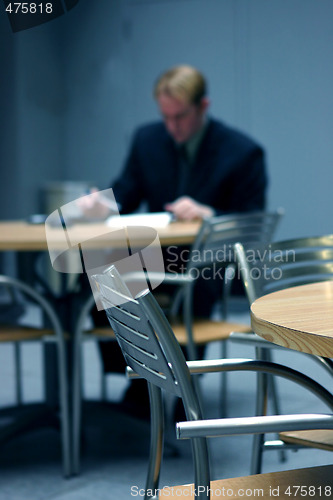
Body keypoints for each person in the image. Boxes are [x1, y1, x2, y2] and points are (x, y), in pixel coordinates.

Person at [81, 64, 268, 418]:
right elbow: (126, 194)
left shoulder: (243, 152)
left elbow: (251, 222)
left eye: (180, 117)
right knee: (100, 272)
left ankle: (186, 388)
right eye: (165, 117)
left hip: (206, 262)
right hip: (155, 256)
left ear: (203, 106)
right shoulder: (147, 139)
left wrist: (210, 214)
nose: (172, 127)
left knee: (196, 283)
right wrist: (100, 204)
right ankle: (140, 380)